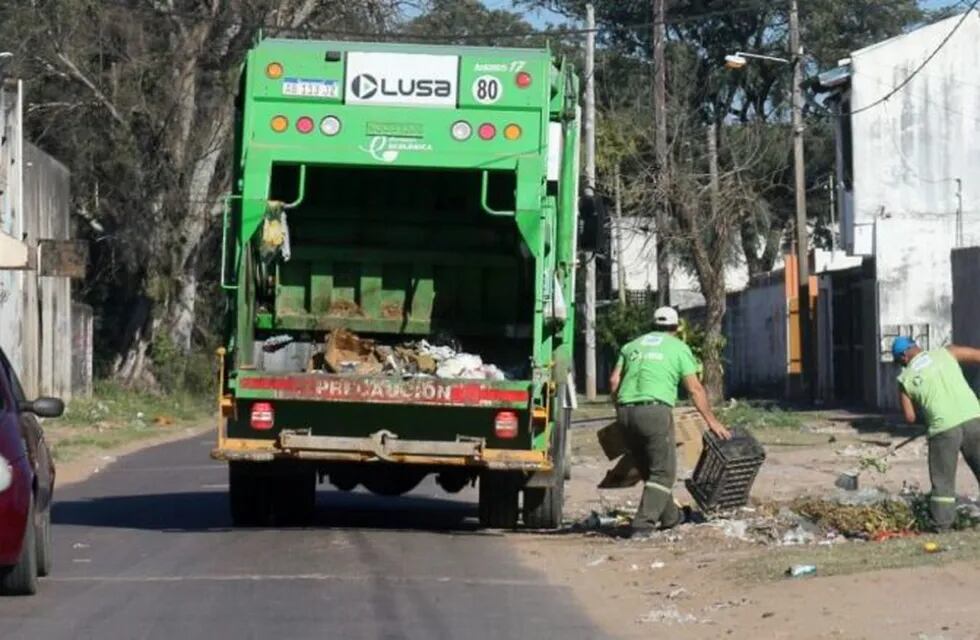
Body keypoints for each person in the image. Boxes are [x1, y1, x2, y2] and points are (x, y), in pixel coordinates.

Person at [609, 306, 731, 536]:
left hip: (625, 412)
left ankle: (671, 517)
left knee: (650, 471)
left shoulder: (631, 346)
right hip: (654, 411)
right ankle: (642, 525)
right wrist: (711, 421)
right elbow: (694, 388)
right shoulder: (678, 348)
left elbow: (614, 381)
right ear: (676, 328)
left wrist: (621, 409)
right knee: (663, 473)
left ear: (653, 325)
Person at [894, 337, 980, 530]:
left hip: (943, 429)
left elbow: (909, 417)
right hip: (974, 418)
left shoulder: (904, 379)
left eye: (899, 362)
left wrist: (926, 416)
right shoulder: (947, 352)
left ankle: (942, 525)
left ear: (904, 357)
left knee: (943, 482)